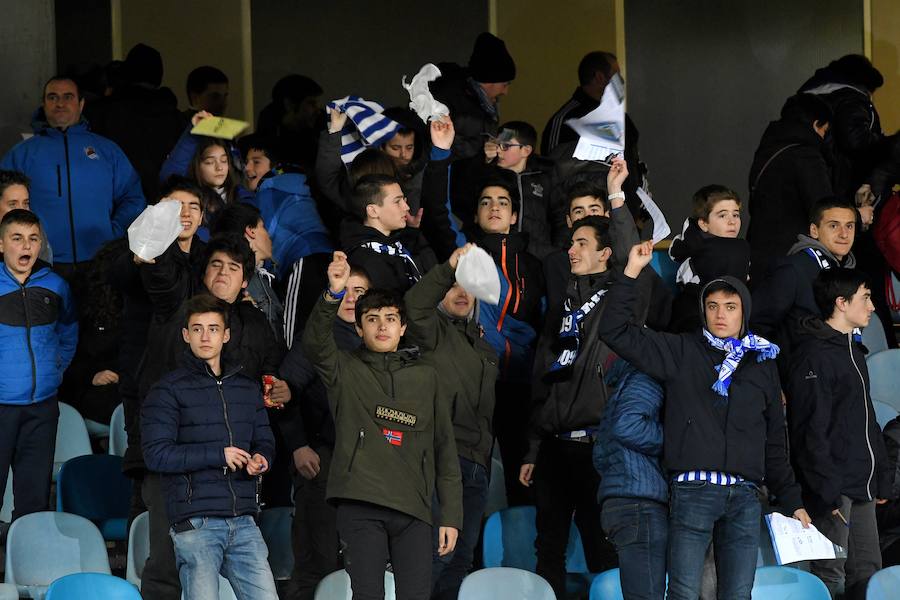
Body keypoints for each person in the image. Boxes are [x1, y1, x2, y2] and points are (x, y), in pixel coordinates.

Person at [597, 241, 811, 600]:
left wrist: (792, 499)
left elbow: (774, 439)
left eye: (730, 306)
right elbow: (615, 331)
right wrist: (631, 271)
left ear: (745, 312)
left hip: (745, 496)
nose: (720, 315)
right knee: (683, 594)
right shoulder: (681, 350)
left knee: (738, 596)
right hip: (692, 492)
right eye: (712, 306)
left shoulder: (763, 363)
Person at [134, 232, 286, 600]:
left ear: (226, 335)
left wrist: (264, 457)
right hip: (194, 519)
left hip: (243, 518)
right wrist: (218, 455)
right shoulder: (167, 389)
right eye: (198, 330)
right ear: (185, 335)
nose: (206, 337)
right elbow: (156, 454)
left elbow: (264, 436)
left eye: (213, 329)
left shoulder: (246, 386)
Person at [302, 251, 463, 600]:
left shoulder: (426, 377)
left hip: (414, 508)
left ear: (403, 327)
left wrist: (450, 515)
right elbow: (314, 343)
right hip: (361, 504)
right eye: (372, 319)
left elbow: (445, 449)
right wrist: (333, 293)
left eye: (391, 318)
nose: (383, 326)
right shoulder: (343, 369)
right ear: (358, 328)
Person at [521, 215, 634, 598]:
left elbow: (634, 258)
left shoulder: (619, 303)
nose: (572, 249)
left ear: (605, 253)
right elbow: (543, 381)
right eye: (571, 242)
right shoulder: (561, 308)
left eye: (582, 243)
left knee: (602, 549)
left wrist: (617, 199)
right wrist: (534, 448)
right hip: (554, 446)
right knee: (547, 548)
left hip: (597, 447)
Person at [787, 268, 891, 599]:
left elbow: (867, 418)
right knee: (830, 576)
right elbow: (809, 429)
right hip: (834, 489)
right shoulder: (813, 355)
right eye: (865, 298)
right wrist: (826, 489)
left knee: (868, 572)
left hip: (861, 484)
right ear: (841, 303)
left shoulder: (854, 352)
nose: (873, 307)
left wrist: (882, 476)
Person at [402, 246, 499, 600]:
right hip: (443, 458)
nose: (462, 294)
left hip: (477, 465)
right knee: (436, 556)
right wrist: (451, 266)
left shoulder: (485, 347)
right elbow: (414, 306)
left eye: (468, 287)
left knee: (460, 563)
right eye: (454, 286)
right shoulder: (430, 332)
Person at [279, 266, 370, 600]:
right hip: (322, 461)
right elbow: (282, 392)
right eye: (344, 290)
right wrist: (298, 446)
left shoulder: (378, 341)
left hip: (367, 468)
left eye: (360, 291)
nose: (351, 298)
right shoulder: (316, 338)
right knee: (317, 562)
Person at [0, 76, 145, 275]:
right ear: (43, 104)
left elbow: (133, 196)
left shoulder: (107, 150)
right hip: (41, 264)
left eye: (68, 97)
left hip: (101, 261)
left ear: (81, 103)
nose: (60, 103)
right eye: (53, 97)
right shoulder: (22, 154)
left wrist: (113, 233)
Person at [471, 178, 545, 507]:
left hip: (519, 382)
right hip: (474, 381)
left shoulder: (534, 266)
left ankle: (520, 557)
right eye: (485, 201)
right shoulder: (464, 255)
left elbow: (545, 322)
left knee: (522, 475)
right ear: (475, 215)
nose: (495, 207)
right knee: (470, 474)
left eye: (503, 202)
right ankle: (468, 558)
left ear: (515, 215)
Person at [0, 209, 77, 520]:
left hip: (42, 405)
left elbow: (69, 330)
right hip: (2, 405)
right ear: (2, 244)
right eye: (17, 239)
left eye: (33, 239)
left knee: (33, 499)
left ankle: (26, 566)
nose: (26, 247)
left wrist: (56, 370)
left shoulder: (56, 285)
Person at [751, 198, 859, 380]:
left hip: (841, 375)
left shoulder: (849, 273)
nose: (844, 234)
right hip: (801, 381)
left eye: (849, 226)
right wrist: (772, 380)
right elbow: (756, 325)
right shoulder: (792, 269)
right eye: (833, 226)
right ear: (814, 230)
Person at [593, 360, 667, 600]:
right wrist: (677, 441)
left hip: (624, 498)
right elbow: (627, 426)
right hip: (638, 502)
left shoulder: (625, 383)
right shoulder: (646, 375)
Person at [747, 94, 833, 284]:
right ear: (815, 124)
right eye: (825, 131)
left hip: (759, 252)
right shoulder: (806, 156)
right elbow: (824, 209)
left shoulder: (768, 150)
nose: (824, 137)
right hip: (794, 257)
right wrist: (858, 216)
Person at [84, 43, 186, 202]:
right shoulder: (175, 117)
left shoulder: (102, 112)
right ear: (159, 76)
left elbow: (88, 151)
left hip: (115, 199)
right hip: (164, 201)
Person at [668, 185, 750, 332]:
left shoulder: (693, 243)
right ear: (704, 223)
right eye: (722, 215)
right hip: (697, 327)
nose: (732, 221)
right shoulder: (738, 248)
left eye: (736, 215)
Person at [340, 174, 436, 293]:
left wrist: (412, 232)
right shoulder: (366, 260)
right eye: (397, 202)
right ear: (373, 211)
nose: (406, 207)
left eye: (404, 200)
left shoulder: (398, 243)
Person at [432, 32, 516, 160]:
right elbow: (444, 142)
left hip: (471, 175)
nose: (506, 92)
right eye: (505, 84)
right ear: (490, 80)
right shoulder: (448, 96)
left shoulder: (486, 103)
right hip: (447, 175)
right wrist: (483, 149)